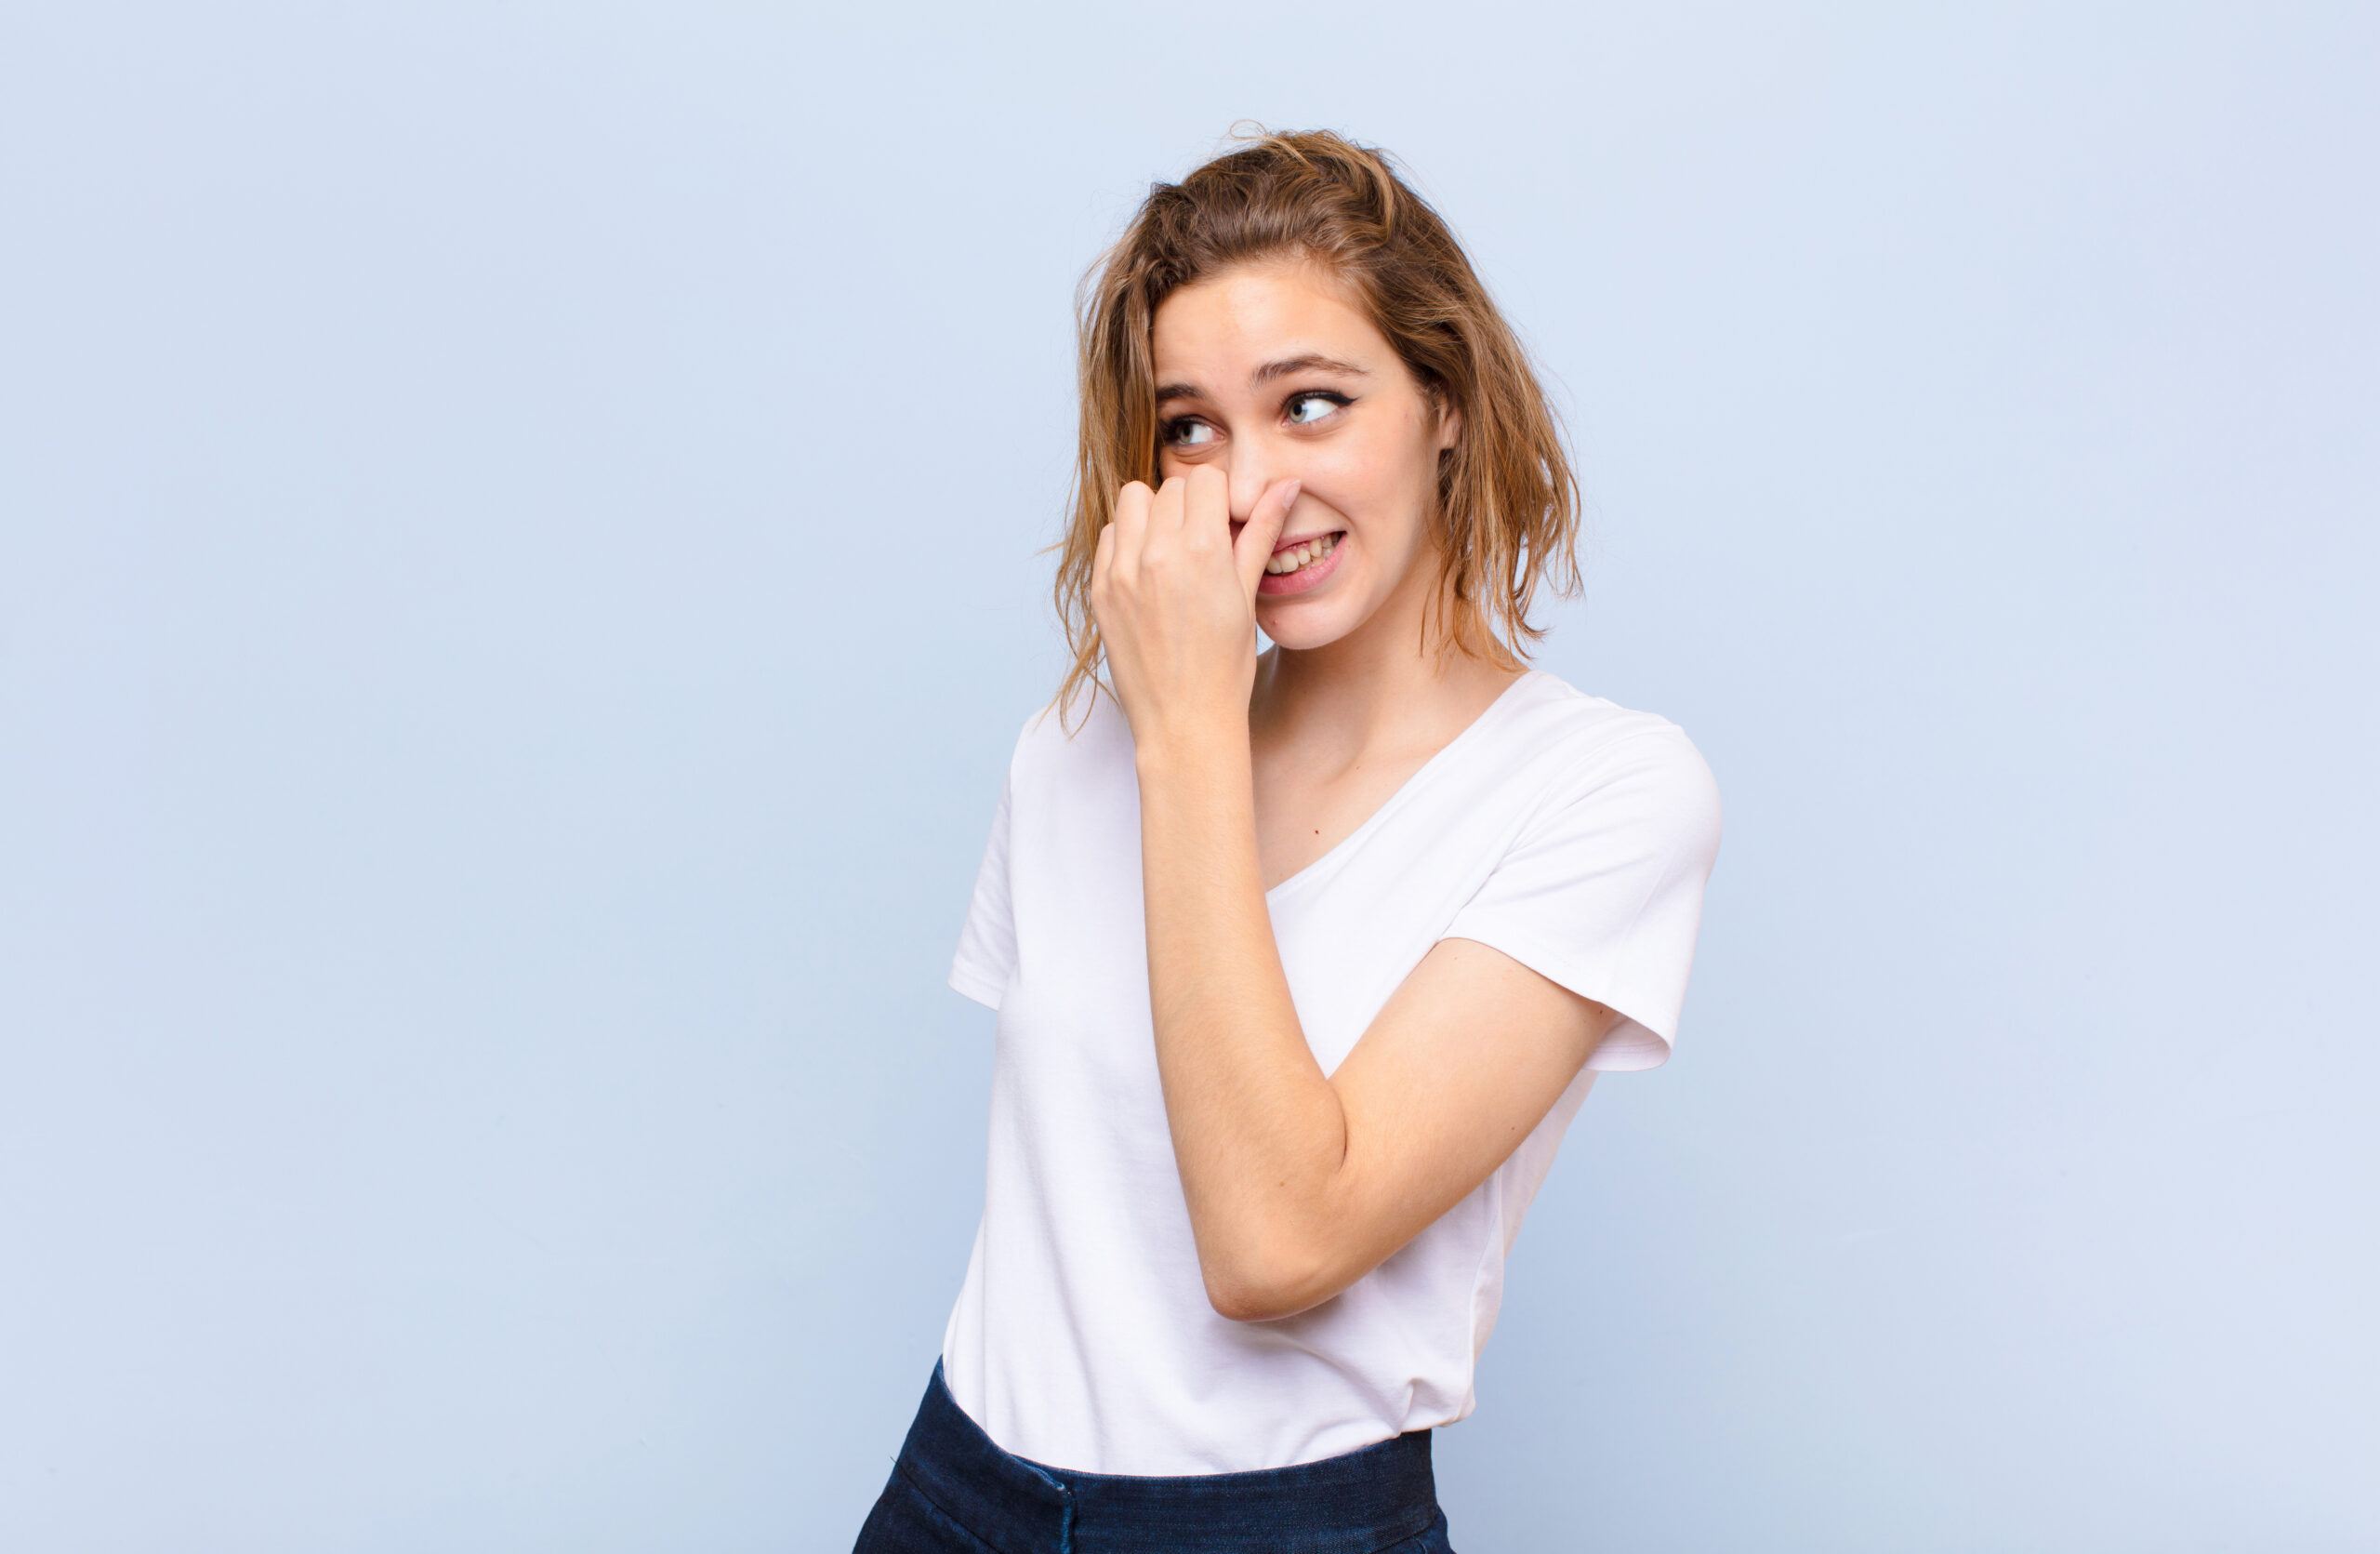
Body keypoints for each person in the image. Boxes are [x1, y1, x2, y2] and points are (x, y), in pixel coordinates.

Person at [854, 129, 1722, 1552]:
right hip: (958, 1495)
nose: (1248, 487)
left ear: (1446, 403)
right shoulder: (1075, 750)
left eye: (1310, 404)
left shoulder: (1602, 791)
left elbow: (1275, 1244)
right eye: (1190, 427)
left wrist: (1188, 735)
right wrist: (1166, 724)